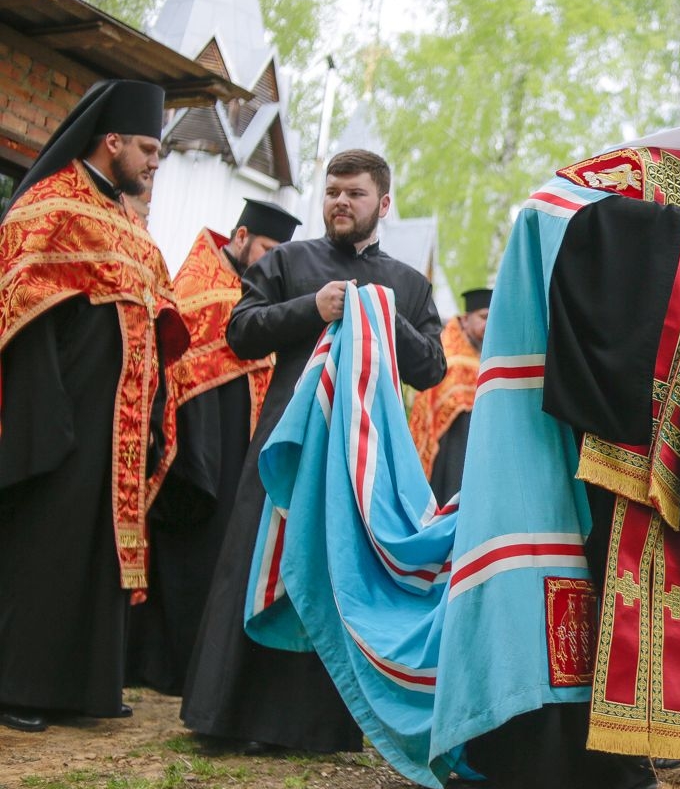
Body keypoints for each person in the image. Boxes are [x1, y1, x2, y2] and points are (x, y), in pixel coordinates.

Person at [427, 87, 680, 789]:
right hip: (586, 436)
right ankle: (535, 766)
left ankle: (622, 761)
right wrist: (667, 228)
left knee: (642, 609)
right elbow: (546, 217)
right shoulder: (641, 175)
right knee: (571, 598)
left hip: (670, 464)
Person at [181, 149, 446, 753]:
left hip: (360, 458)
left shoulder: (407, 284)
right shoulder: (286, 261)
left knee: (334, 574)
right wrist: (313, 308)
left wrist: (379, 311)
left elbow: (432, 368)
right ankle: (229, 715)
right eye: (332, 192)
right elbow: (240, 333)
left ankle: (317, 727)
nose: (340, 203)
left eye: (354, 194)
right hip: (286, 443)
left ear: (383, 203)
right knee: (256, 567)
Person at [0, 80, 188, 733]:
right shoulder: (49, 205)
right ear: (112, 142)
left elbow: (158, 320)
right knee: (44, 545)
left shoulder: (131, 229)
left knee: (98, 551)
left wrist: (155, 404)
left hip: (122, 423)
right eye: (147, 148)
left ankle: (84, 685)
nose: (154, 161)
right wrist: (42, 414)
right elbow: (21, 311)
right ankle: (17, 683)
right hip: (62, 412)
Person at [127, 199, 302, 695]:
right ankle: (159, 666)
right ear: (241, 236)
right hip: (198, 446)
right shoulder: (198, 285)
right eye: (267, 249)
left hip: (241, 447)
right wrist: (196, 455)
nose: (271, 262)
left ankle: (197, 672)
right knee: (187, 552)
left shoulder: (258, 297)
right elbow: (178, 372)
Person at [407, 286, 490, 504]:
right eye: (483, 317)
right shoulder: (448, 355)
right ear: (465, 319)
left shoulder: (487, 355)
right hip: (449, 448)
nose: (488, 325)